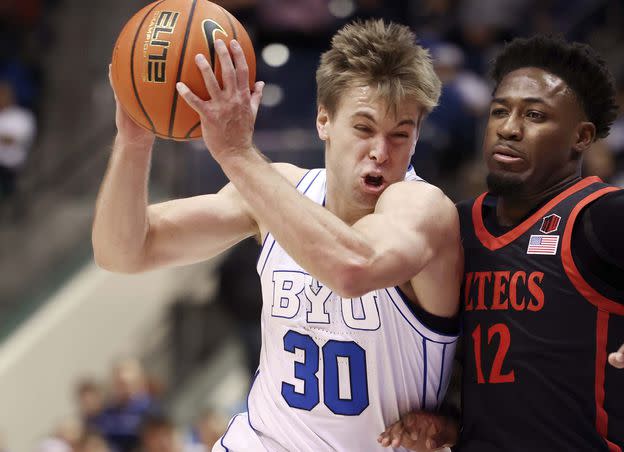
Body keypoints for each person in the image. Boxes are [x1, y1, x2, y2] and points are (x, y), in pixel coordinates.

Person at [93, 19, 462, 451]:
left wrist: (236, 153)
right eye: (363, 129)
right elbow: (123, 251)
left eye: (401, 135)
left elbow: (352, 268)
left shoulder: (423, 209)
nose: (381, 151)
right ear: (324, 120)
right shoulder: (280, 190)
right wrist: (134, 140)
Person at [379, 34, 624, 451]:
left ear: (581, 137)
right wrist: (445, 422)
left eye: (535, 115)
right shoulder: (455, 226)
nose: (509, 128)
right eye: (500, 111)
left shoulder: (609, 216)